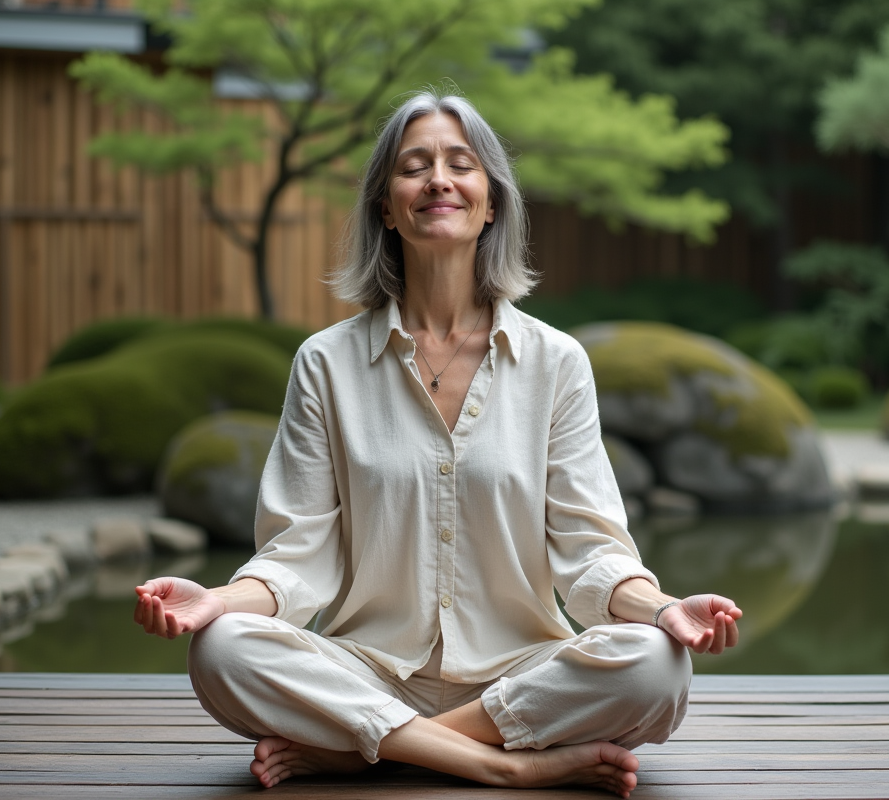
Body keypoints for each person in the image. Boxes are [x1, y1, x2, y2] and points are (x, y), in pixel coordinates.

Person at [133, 89, 742, 799]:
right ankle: (505, 764)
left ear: (492, 203)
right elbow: (298, 553)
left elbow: (591, 551)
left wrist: (663, 609)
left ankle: (367, 751)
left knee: (656, 664)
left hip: (521, 674)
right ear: (386, 208)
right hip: (364, 670)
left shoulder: (556, 363)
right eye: (414, 166)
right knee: (222, 648)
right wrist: (218, 599)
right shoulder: (326, 364)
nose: (438, 180)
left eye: (460, 163)